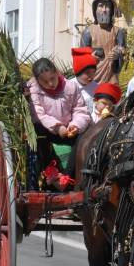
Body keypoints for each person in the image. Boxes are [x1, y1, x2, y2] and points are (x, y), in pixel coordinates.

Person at [27, 58, 91, 187]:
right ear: (37, 80)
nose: (50, 84)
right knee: (37, 132)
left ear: (57, 72)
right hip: (48, 131)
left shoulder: (71, 87)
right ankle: (52, 174)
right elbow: (39, 115)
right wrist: (58, 127)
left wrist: (75, 126)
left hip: (69, 130)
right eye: (45, 82)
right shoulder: (33, 90)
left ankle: (67, 176)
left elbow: (80, 110)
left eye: (52, 78)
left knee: (85, 136)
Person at [80, 0, 126, 83]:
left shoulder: (118, 32)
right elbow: (81, 56)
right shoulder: (87, 32)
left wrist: (117, 55)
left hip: (111, 77)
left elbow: (123, 51)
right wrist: (90, 58)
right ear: (95, 10)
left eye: (107, 7)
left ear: (111, 11)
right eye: (100, 6)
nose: (104, 10)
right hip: (93, 79)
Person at [68, 47, 100, 114]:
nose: (91, 76)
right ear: (77, 72)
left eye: (93, 72)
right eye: (87, 72)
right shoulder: (69, 87)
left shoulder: (96, 87)